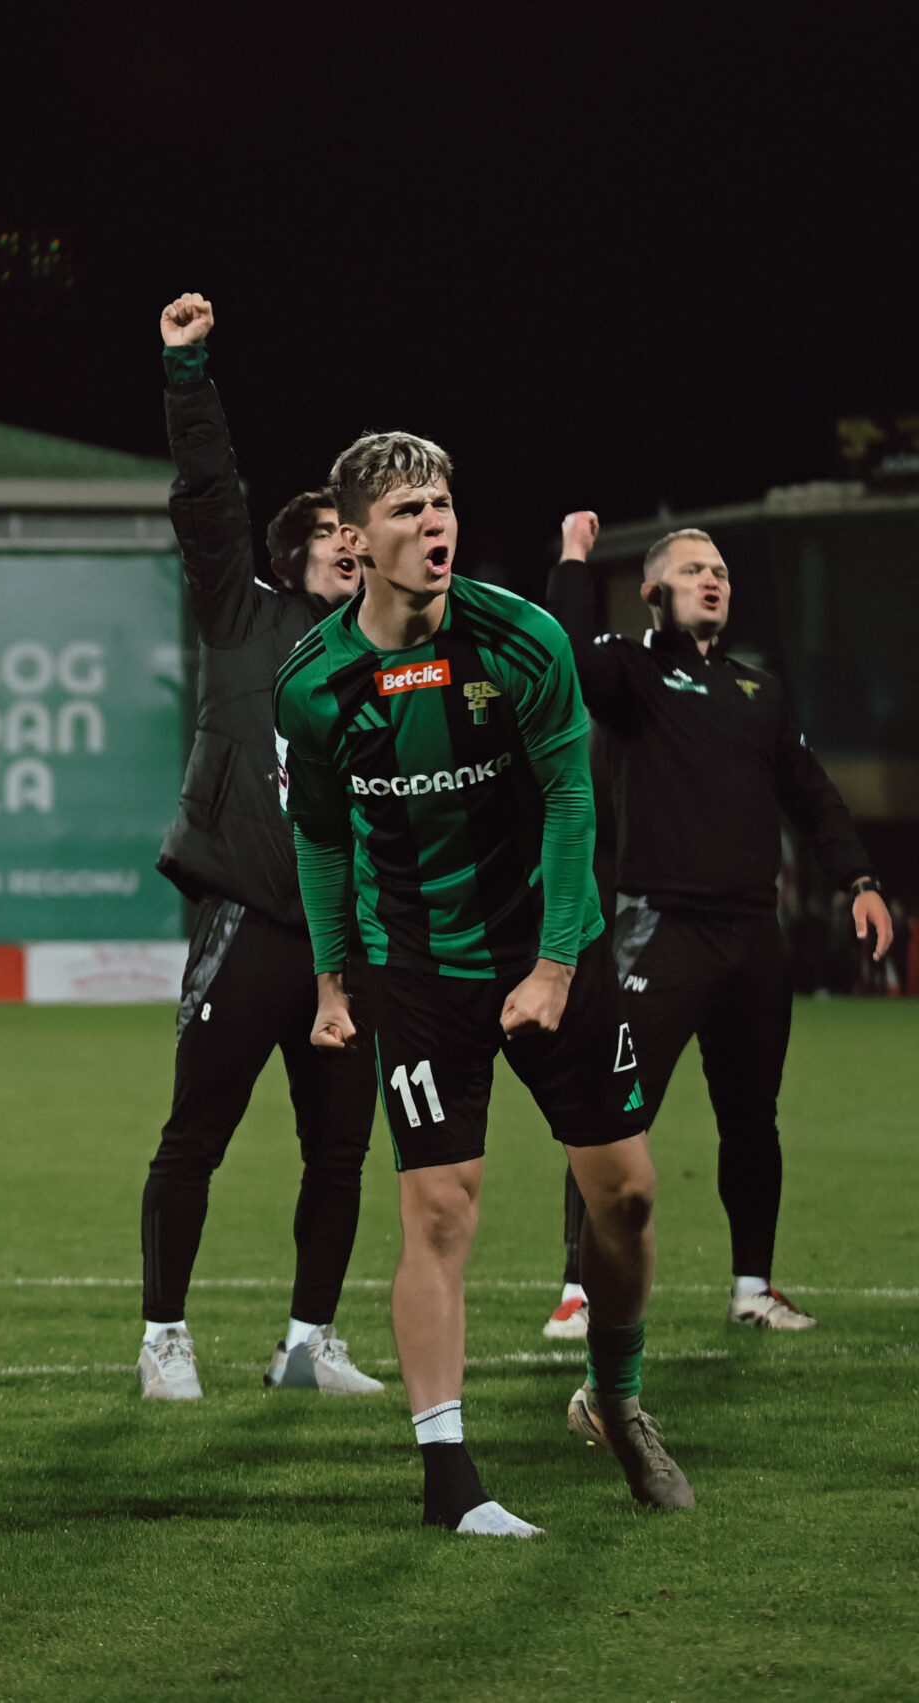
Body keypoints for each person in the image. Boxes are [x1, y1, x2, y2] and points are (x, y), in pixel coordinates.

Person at [274, 430, 692, 1537]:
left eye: (441, 504)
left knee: (627, 1196)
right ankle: (448, 1478)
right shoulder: (312, 683)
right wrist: (330, 980)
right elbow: (321, 835)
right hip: (416, 967)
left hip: (552, 946)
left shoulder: (521, 637)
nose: (434, 524)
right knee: (439, 1208)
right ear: (354, 541)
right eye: (407, 510)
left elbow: (568, 798)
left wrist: (553, 966)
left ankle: (613, 1394)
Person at [539, 514, 891, 1339]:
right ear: (653, 592)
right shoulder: (629, 672)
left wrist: (860, 881)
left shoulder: (758, 691)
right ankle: (579, 1290)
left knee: (753, 1117)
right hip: (661, 931)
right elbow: (565, 655)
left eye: (721, 571)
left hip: (753, 937)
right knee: (611, 1111)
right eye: (694, 569)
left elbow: (812, 795)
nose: (713, 579)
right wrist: (573, 559)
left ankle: (752, 1288)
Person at [136, 294, 382, 1400]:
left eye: (358, 534)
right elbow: (209, 497)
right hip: (245, 916)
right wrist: (187, 373)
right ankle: (163, 1338)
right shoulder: (244, 616)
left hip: (348, 940)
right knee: (196, 1135)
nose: (349, 545)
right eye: (332, 532)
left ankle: (307, 1343)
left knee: (340, 1149)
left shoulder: (391, 663)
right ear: (292, 555)